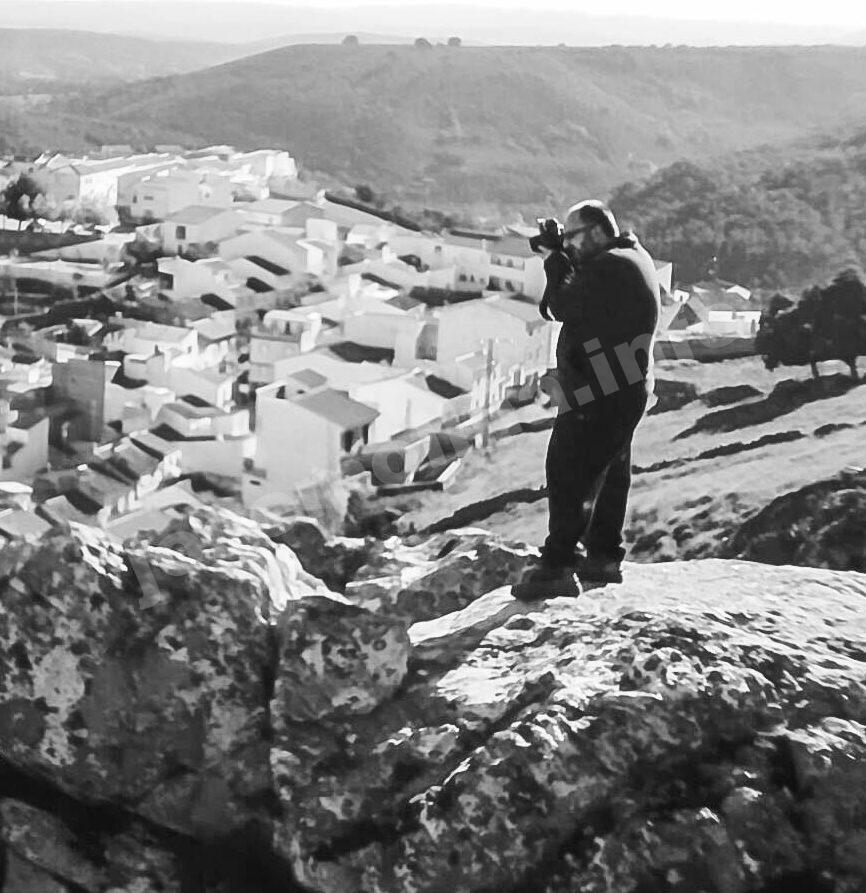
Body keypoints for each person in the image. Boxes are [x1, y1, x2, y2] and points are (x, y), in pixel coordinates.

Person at [512, 200, 660, 601]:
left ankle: (557, 566)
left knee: (568, 470)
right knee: (610, 474)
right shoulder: (629, 256)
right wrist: (562, 254)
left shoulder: (610, 267)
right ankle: (603, 557)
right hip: (623, 385)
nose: (570, 247)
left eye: (574, 238)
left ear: (596, 233)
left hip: (603, 390)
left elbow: (562, 305)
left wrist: (553, 259)